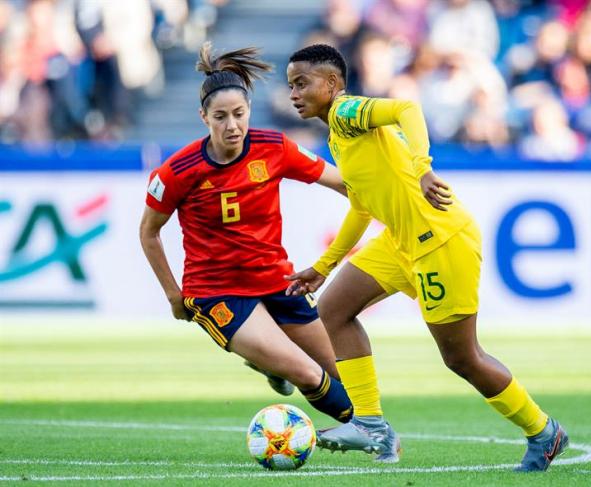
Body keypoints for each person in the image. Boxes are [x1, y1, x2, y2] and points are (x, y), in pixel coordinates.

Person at [284, 44, 569, 470]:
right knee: (334, 309)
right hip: (401, 241)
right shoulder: (337, 137)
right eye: (290, 85)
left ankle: (545, 433)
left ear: (332, 84)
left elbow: (406, 108)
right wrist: (323, 267)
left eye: (302, 83)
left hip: (440, 240)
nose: (293, 93)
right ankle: (371, 425)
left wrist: (423, 167)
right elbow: (361, 206)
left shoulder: (345, 112)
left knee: (462, 357)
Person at [139, 42, 353, 425]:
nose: (232, 125)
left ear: (249, 110)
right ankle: (378, 435)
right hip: (217, 291)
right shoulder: (177, 172)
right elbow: (149, 232)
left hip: (276, 280)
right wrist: (174, 295)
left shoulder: (274, 147)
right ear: (204, 117)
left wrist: (399, 191)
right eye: (220, 117)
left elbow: (342, 183)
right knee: (308, 374)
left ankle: (272, 362)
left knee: (339, 376)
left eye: (239, 114)